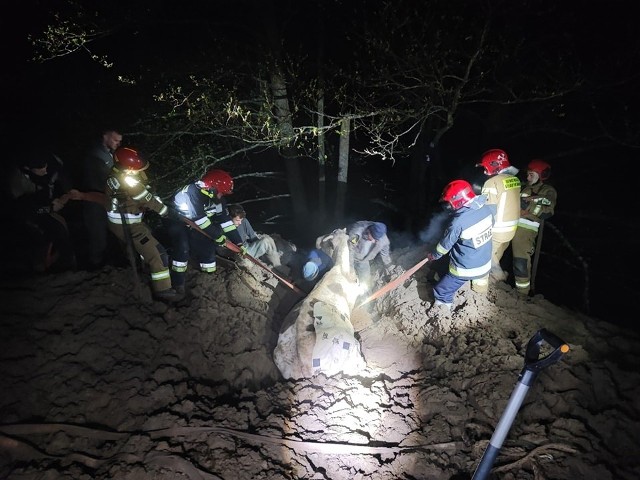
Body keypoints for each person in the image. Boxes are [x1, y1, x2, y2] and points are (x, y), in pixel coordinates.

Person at [105, 147, 182, 302]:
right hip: (128, 225)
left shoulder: (115, 175)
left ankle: (145, 270)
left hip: (125, 223)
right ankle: (163, 291)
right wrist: (167, 212)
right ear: (128, 168)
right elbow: (147, 199)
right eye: (136, 169)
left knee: (145, 248)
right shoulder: (128, 182)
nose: (139, 171)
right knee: (157, 254)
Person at [164, 169, 247, 294]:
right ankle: (177, 284)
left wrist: (238, 243)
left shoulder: (217, 199)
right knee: (183, 248)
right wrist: (218, 236)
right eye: (220, 192)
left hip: (196, 224)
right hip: (177, 221)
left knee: (208, 245)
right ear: (212, 187)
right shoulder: (193, 192)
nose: (221, 196)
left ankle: (208, 277)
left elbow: (225, 221)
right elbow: (201, 220)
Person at [426, 180, 493, 317]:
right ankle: (446, 278)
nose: (447, 206)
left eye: (449, 203)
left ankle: (442, 314)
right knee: (446, 263)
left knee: (441, 289)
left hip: (466, 268)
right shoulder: (486, 208)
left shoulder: (458, 222)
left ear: (459, 201)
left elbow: (444, 246)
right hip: (485, 261)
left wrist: (433, 255)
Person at [4, 149, 79, 272]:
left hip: (49, 199)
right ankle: (42, 267)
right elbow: (28, 211)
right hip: (31, 212)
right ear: (29, 169)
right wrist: (49, 208)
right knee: (46, 232)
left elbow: (62, 174)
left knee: (63, 226)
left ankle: (67, 262)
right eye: (41, 169)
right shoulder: (17, 183)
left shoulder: (52, 162)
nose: (45, 170)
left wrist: (68, 191)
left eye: (46, 167)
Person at [472, 148, 521, 291]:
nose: (484, 170)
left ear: (493, 165)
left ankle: (478, 291)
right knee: (494, 256)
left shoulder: (491, 183)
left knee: (480, 259)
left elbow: (488, 209)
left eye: (485, 167)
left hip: (496, 230)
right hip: (510, 231)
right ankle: (491, 281)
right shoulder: (515, 180)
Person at [77, 129, 123, 270]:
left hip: (108, 200)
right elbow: (96, 181)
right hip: (95, 201)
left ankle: (108, 263)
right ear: (105, 137)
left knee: (111, 234)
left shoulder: (109, 154)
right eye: (115, 140)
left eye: (119, 141)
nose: (118, 143)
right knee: (98, 235)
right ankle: (94, 265)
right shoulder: (94, 155)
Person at [512, 159, 557, 296]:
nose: (527, 177)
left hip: (526, 229)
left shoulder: (547, 190)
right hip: (509, 223)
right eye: (528, 174)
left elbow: (548, 209)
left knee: (520, 261)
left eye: (531, 175)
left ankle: (522, 293)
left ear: (540, 175)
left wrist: (528, 207)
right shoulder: (524, 186)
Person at [227, 204, 282, 268]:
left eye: (241, 220)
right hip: (237, 253)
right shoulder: (224, 227)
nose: (240, 223)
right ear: (229, 218)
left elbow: (252, 237)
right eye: (237, 220)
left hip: (246, 248)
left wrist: (259, 244)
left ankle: (277, 266)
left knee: (267, 240)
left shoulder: (243, 221)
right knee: (244, 261)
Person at [346, 220, 392, 287]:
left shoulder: (382, 239)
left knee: (365, 281)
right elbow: (350, 250)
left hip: (363, 261)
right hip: (348, 257)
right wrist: (351, 269)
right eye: (372, 238)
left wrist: (389, 268)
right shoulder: (357, 233)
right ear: (369, 231)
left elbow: (385, 254)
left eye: (376, 240)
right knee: (346, 279)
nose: (374, 241)